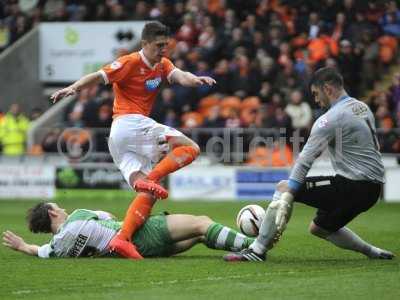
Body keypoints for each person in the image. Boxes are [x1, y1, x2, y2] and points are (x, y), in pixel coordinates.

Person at [51, 21, 216, 259]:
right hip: (129, 123)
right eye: (158, 45)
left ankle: (122, 239)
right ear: (145, 43)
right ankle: (152, 178)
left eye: (166, 46)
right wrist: (73, 88)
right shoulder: (129, 62)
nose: (163, 50)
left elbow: (180, 75)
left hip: (121, 140)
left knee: (147, 193)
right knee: (191, 148)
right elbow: (98, 76)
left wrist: (196, 79)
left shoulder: (162, 65)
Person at [224, 67, 395, 262]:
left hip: (355, 185)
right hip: (373, 189)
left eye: (315, 93)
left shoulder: (330, 119)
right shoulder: (362, 108)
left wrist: (288, 195)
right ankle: (372, 252)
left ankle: (257, 250)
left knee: (283, 186)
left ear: (327, 89)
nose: (315, 99)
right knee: (320, 228)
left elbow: (305, 159)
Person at [2, 202, 253, 260]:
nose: (63, 208)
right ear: (52, 214)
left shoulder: (58, 248)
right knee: (202, 222)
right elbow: (109, 216)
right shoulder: (77, 216)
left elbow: (39, 251)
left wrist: (23, 246)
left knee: (200, 237)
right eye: (59, 207)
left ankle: (240, 249)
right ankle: (254, 245)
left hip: (138, 252)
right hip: (140, 234)